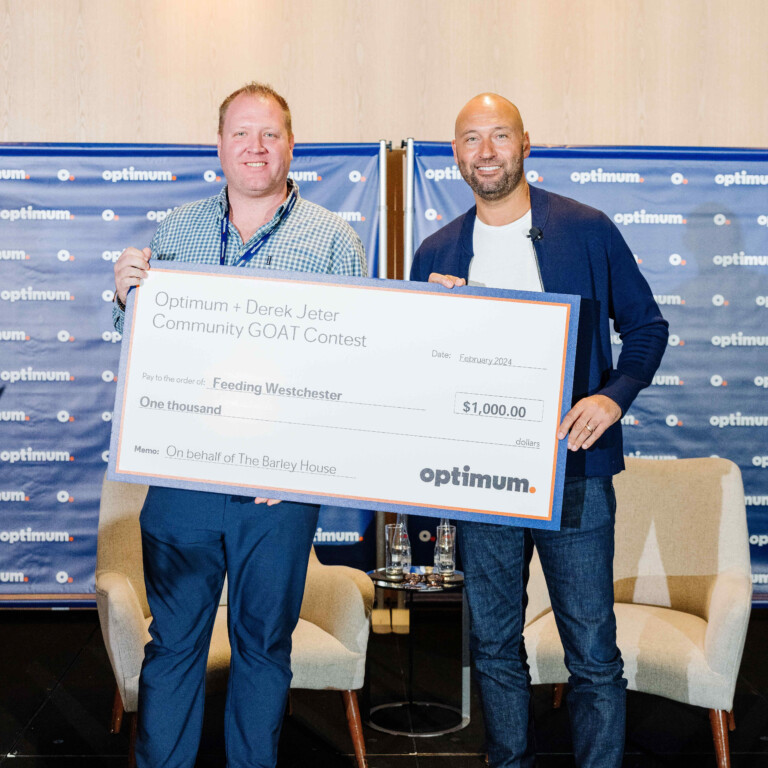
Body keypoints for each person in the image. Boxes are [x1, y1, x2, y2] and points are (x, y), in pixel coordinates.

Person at [112, 82, 366, 768]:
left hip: (277, 493)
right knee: (173, 648)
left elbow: (349, 371)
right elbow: (145, 349)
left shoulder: (334, 241)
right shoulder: (176, 232)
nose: (256, 148)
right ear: (218, 146)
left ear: (292, 145)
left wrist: (296, 460)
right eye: (241, 134)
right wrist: (124, 296)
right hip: (184, 482)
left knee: (263, 650)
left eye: (270, 134)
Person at [410, 93, 668, 768]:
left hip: (575, 475)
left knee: (592, 652)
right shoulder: (437, 252)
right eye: (471, 139)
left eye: (499, 136)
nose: (486, 151)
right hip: (483, 480)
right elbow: (420, 372)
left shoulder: (587, 229)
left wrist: (613, 398)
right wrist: (434, 321)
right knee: (494, 646)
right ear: (456, 154)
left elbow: (646, 328)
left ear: (527, 143)